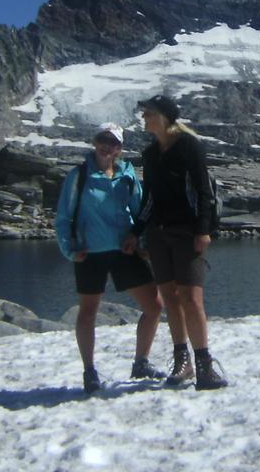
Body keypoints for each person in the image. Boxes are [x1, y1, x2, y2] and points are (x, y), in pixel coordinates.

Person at [123, 95, 228, 390]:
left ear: (165, 117)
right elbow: (149, 198)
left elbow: (203, 191)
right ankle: (183, 362)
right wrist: (137, 230)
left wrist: (203, 230)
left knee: (192, 299)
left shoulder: (188, 146)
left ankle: (205, 364)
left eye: (149, 113)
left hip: (187, 233)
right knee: (170, 298)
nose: (144, 117)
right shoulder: (150, 153)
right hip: (158, 234)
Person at [54, 122, 166, 393]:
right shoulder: (79, 175)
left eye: (113, 143)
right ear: (95, 142)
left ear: (119, 148)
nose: (107, 147)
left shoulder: (127, 175)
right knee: (88, 312)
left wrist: (139, 241)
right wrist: (69, 249)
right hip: (89, 253)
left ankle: (141, 362)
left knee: (154, 306)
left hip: (123, 251)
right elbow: (63, 216)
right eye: (103, 140)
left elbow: (139, 211)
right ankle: (89, 371)